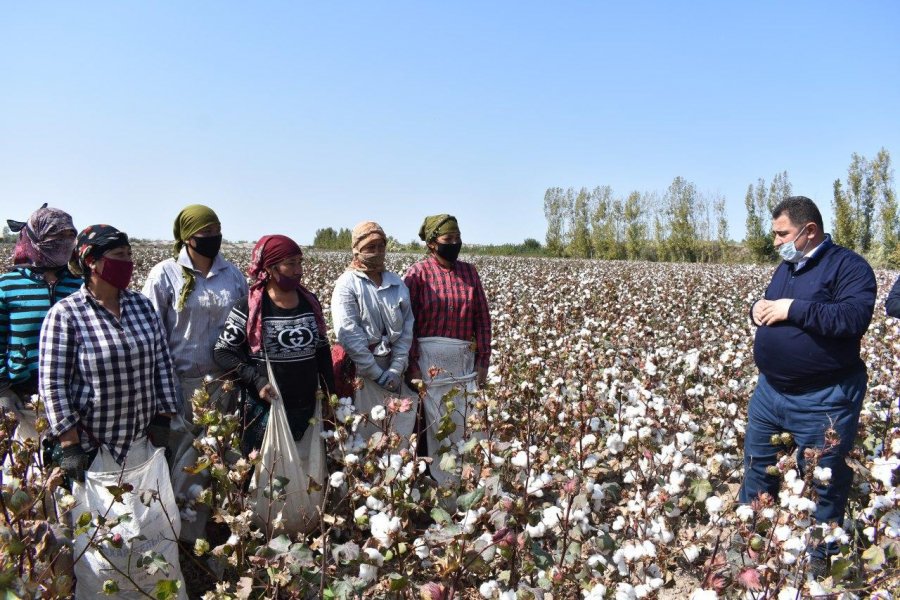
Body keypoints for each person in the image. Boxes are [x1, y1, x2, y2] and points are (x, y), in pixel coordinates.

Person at [743, 196, 876, 576]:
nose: (776, 241)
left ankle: (816, 564)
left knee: (822, 482)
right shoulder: (787, 267)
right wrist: (757, 308)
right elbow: (772, 306)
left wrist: (792, 309)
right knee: (757, 468)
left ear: (809, 231)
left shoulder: (849, 267)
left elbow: (852, 318)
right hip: (770, 393)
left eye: (781, 233)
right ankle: (751, 546)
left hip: (824, 398)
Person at [40, 225, 180, 480]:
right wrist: (70, 445)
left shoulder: (142, 305)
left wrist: (163, 419)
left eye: (129, 254)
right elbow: (53, 383)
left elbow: (162, 362)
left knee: (150, 516)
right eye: (119, 255)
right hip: (93, 447)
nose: (128, 262)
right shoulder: (66, 314)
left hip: (142, 440)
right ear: (91, 261)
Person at [214, 235, 335, 455]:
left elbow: (322, 350)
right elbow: (224, 351)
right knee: (265, 477)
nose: (298, 270)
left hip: (307, 406)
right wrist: (257, 380)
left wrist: (328, 393)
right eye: (291, 264)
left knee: (307, 473)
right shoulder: (250, 306)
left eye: (300, 262)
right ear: (270, 268)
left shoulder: (310, 302)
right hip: (265, 410)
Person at [403, 214, 491, 485]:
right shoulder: (417, 274)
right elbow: (409, 323)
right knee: (434, 422)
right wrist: (413, 362)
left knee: (466, 419)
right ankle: (441, 482)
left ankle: (470, 478)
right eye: (447, 239)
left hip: (463, 363)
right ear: (431, 243)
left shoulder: (469, 272)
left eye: (457, 238)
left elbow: (482, 318)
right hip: (429, 362)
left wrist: (483, 360)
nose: (454, 243)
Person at [142, 205, 248, 419]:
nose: (214, 236)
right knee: (184, 448)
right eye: (206, 232)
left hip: (226, 381)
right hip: (180, 384)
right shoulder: (164, 274)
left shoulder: (233, 275)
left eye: (217, 230)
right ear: (188, 236)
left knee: (222, 446)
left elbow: (245, 324)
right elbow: (151, 331)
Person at [331, 221, 416, 442]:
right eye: (370, 247)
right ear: (357, 249)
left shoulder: (396, 283)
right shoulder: (347, 284)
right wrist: (375, 373)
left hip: (393, 368)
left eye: (381, 246)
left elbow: (406, 328)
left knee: (396, 432)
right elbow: (348, 332)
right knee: (364, 431)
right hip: (360, 372)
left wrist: (396, 369)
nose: (377, 252)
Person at [0, 205, 80, 434]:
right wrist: (3, 390)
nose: (65, 242)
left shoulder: (79, 284)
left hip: (74, 395)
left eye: (70, 235)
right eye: (57, 236)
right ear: (35, 239)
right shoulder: (7, 285)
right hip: (24, 397)